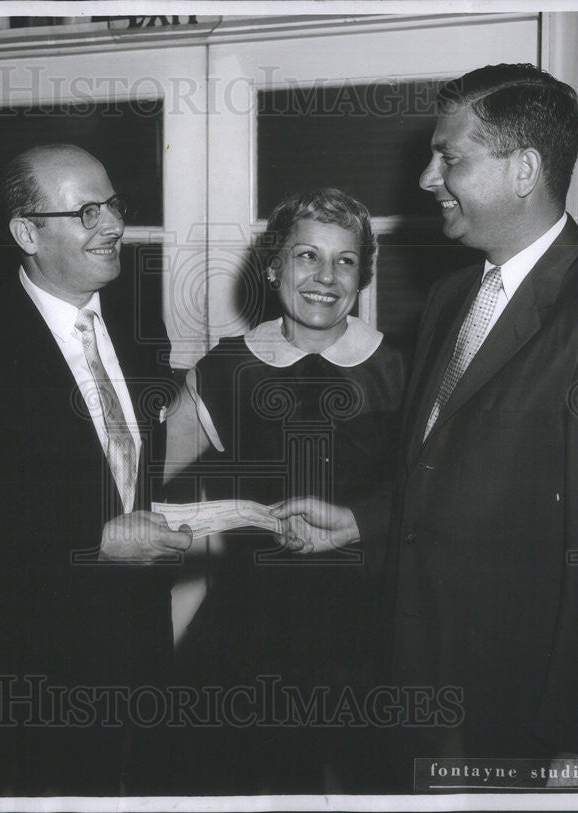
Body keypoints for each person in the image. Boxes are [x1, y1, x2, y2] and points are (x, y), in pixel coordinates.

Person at [274, 64, 578, 790]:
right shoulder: (449, 296)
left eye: (450, 157)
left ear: (524, 168)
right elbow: (441, 475)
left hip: (514, 721)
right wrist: (362, 522)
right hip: (408, 698)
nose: (429, 178)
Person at [0, 144, 191, 795]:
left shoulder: (138, 319)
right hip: (32, 674)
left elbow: (138, 470)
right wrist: (98, 543)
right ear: (27, 232)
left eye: (113, 205)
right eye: (87, 211)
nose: (114, 225)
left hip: (144, 655)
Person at [166, 188, 405, 793]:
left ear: (363, 276)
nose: (325, 277)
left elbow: (435, 499)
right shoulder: (225, 370)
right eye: (306, 256)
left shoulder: (400, 371)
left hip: (372, 636)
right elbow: (146, 483)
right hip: (250, 635)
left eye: (345, 261)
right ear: (273, 267)